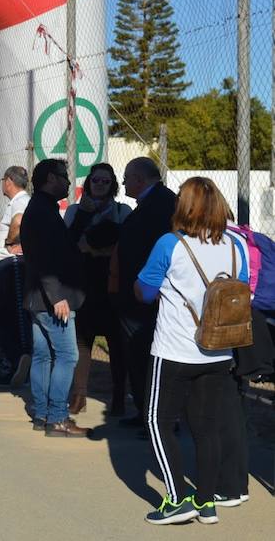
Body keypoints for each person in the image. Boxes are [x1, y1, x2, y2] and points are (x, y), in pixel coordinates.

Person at [135, 177, 249, 525]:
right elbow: (243, 290)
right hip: (218, 352)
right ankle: (205, 502)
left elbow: (145, 292)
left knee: (157, 422)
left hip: (174, 350)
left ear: (184, 207)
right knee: (207, 427)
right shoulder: (235, 246)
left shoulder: (170, 244)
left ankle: (175, 499)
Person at [20, 159, 89, 437]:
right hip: (51, 299)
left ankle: (42, 414)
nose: (69, 182)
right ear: (50, 179)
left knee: (42, 355)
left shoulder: (41, 209)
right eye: (64, 176)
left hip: (38, 298)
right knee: (67, 355)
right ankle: (58, 417)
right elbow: (43, 259)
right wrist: (58, 297)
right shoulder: (42, 212)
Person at [63, 163, 132, 415]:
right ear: (88, 183)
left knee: (116, 343)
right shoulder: (73, 211)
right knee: (82, 342)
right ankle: (79, 395)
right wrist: (83, 216)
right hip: (84, 285)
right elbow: (69, 244)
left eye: (105, 181)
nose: (100, 185)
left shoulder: (122, 211)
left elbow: (124, 246)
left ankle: (118, 398)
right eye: (96, 181)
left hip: (112, 284)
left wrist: (94, 249)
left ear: (112, 184)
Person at [114, 157, 177, 428]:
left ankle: (156, 418)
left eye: (127, 178)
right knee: (141, 356)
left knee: (144, 356)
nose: (124, 183)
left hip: (147, 295)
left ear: (139, 179)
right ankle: (146, 413)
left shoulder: (159, 206)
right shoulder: (160, 202)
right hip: (145, 292)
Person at [0, 166, 33, 385]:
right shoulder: (18, 201)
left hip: (14, 263)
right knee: (8, 315)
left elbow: (18, 221)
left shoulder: (19, 202)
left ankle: (23, 358)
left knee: (16, 314)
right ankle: (19, 361)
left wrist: (10, 242)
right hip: (10, 264)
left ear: (8, 181)